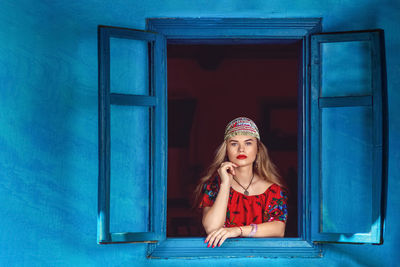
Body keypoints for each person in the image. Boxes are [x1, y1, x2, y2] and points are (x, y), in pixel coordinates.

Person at [194, 117, 288, 248]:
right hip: (220, 257)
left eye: (248, 143)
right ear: (226, 149)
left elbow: (278, 229)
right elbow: (212, 228)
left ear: (258, 149)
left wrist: (237, 230)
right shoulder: (214, 185)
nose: (241, 149)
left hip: (259, 259)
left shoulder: (273, 190)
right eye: (234, 143)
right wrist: (225, 184)